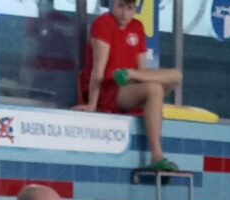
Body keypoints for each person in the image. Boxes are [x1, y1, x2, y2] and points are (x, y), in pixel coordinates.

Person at [78, 0, 185, 174]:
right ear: (113, 5)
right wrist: (92, 104)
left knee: (176, 75)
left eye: (129, 8)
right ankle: (157, 156)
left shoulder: (137, 27)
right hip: (109, 89)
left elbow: (143, 70)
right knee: (154, 89)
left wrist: (133, 75)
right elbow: (98, 69)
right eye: (120, 6)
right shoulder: (104, 23)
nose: (124, 13)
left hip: (131, 85)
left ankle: (135, 81)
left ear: (135, 9)